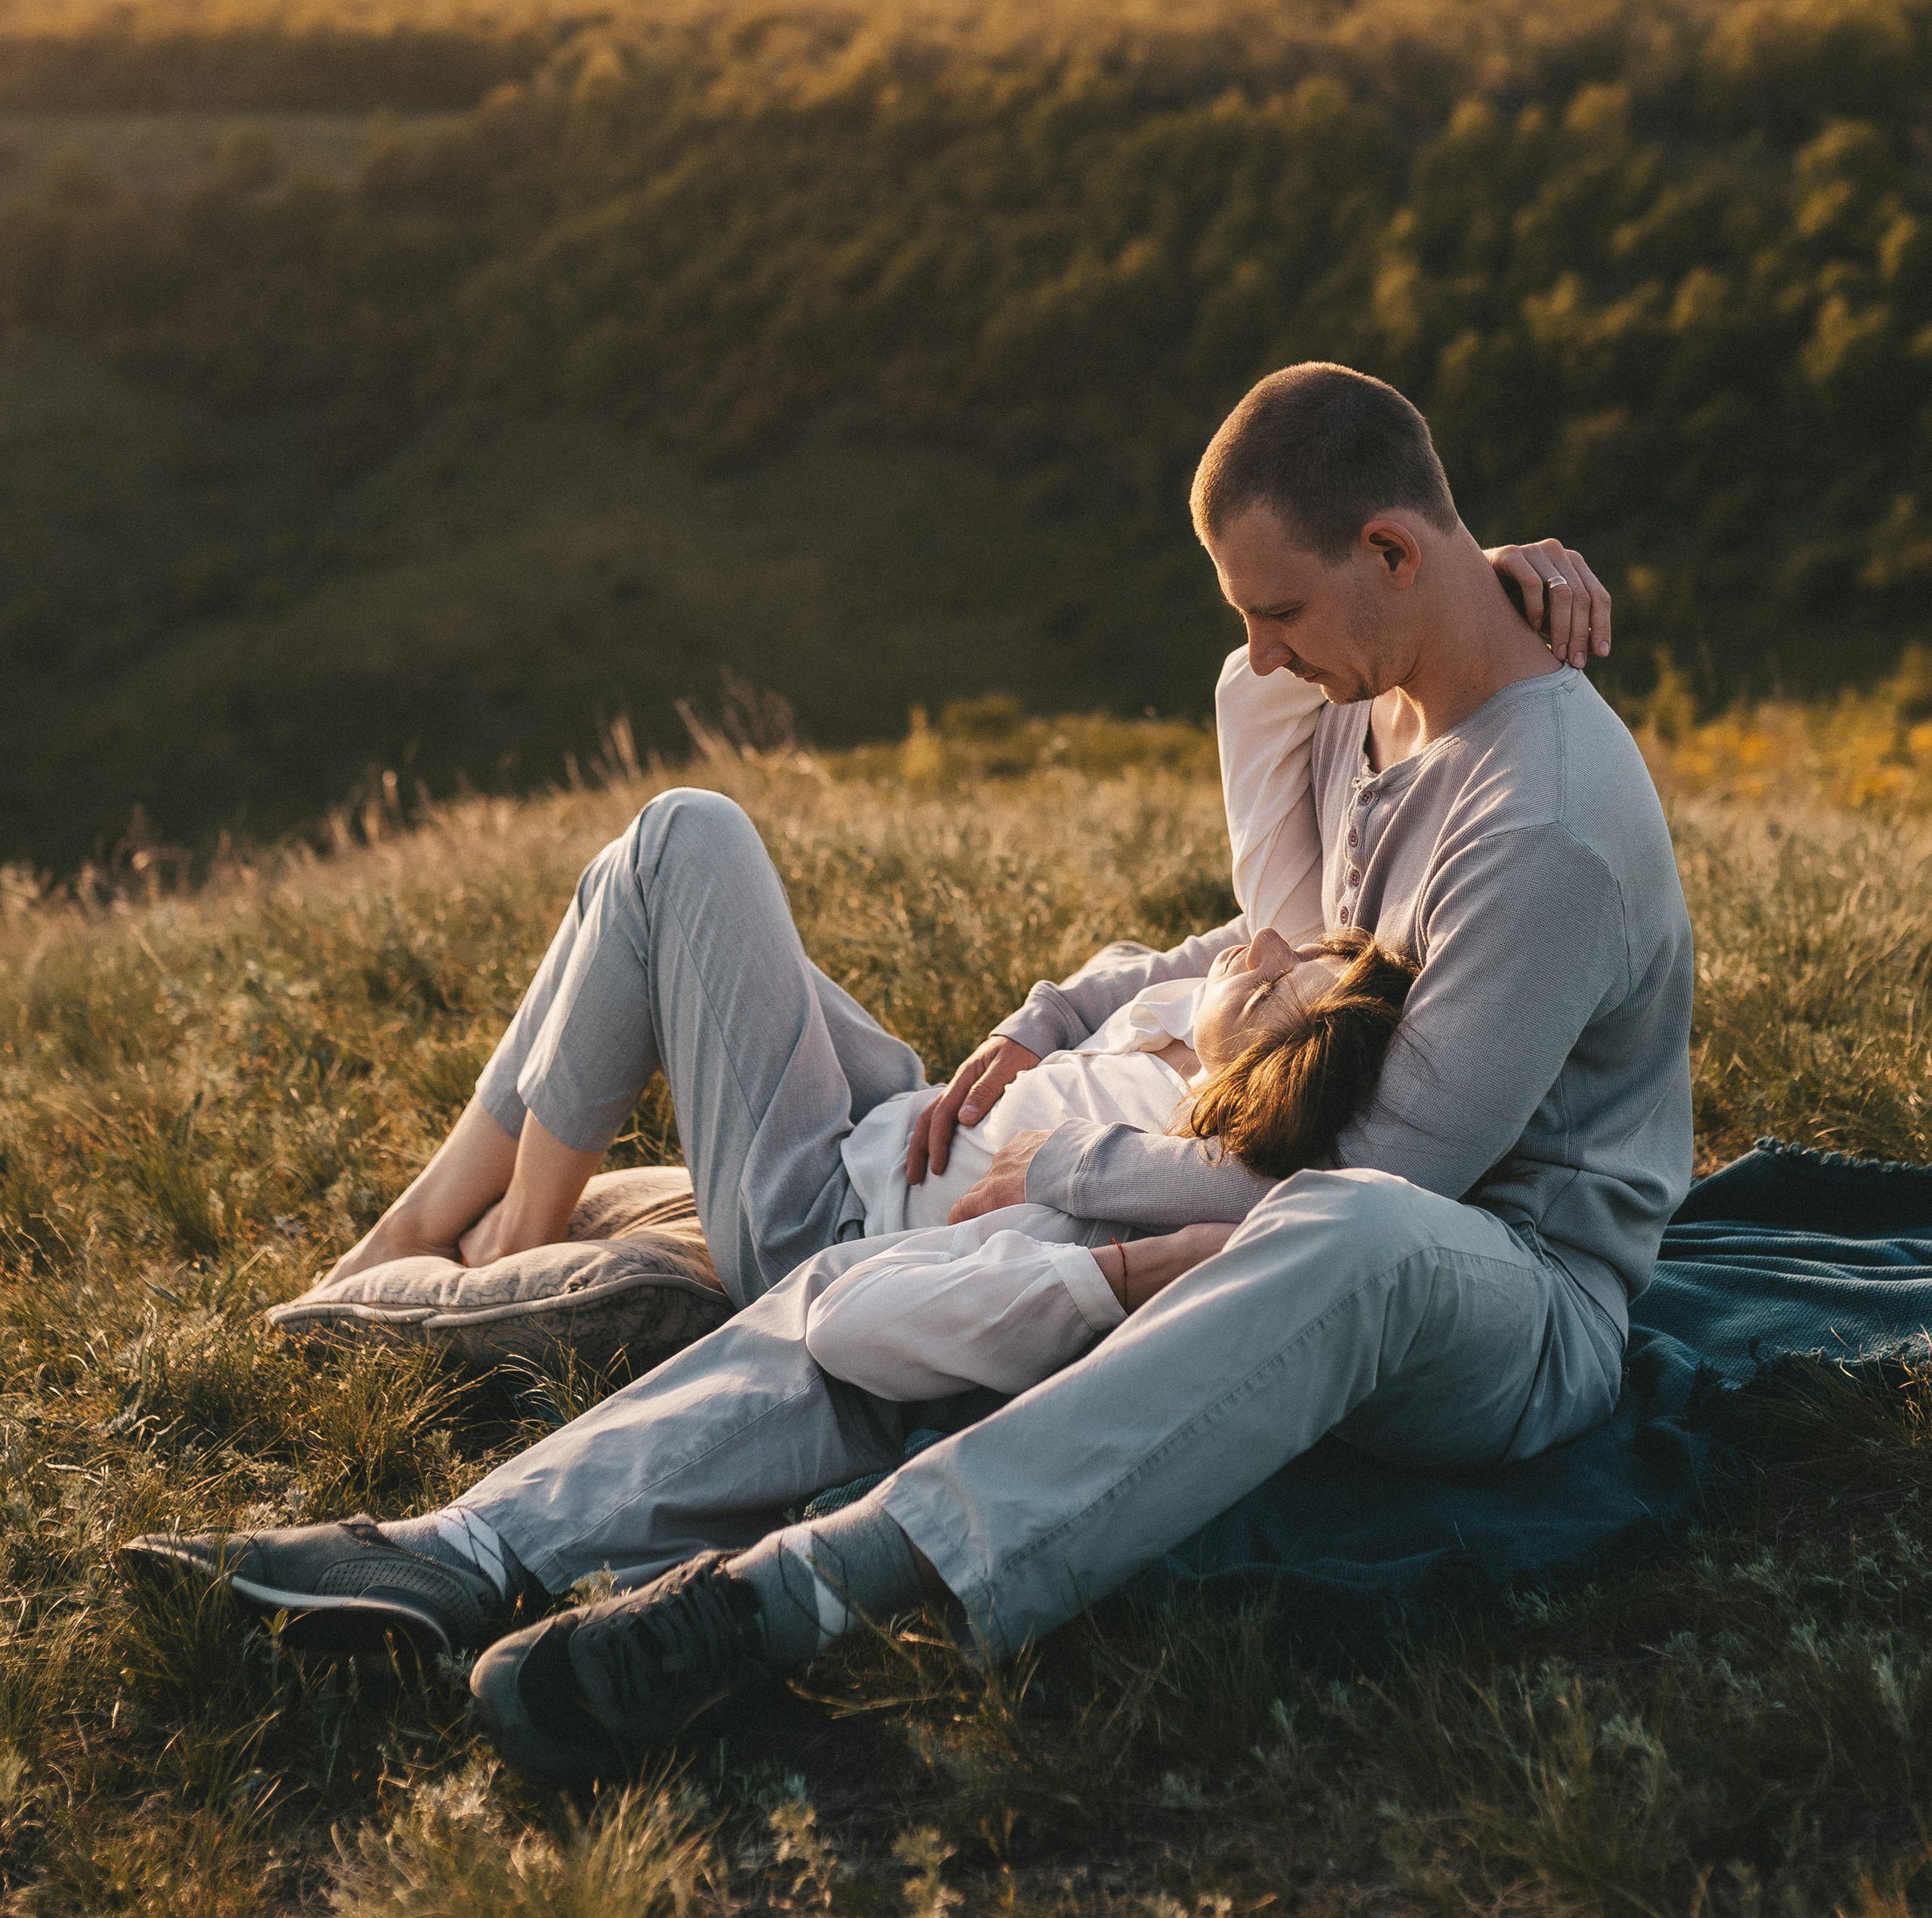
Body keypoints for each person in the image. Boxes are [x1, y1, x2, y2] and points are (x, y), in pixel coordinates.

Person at [123, 362, 1686, 1797]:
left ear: (1391, 557)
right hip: (1262, 1183)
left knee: (1337, 1237)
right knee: (874, 1305)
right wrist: (1487, 582)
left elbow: (1383, 1172)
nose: (1256, 652)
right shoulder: (1379, 697)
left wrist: (1064, 1180)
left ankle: (798, 1594)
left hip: (1499, 1288)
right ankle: (459, 1551)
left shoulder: (1538, 825)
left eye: (1279, 611)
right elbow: (1284, 918)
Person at [802, 930, 1414, 1403]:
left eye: (1267, 990)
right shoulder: (1196, 1024)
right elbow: (1164, 949)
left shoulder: (1151, 1162)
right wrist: (1044, 1019)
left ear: (1251, 1085)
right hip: (901, 1111)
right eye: (1304, 952)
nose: (1267, 943)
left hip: (830, 1205)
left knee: (706, 830)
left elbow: (847, 1323)